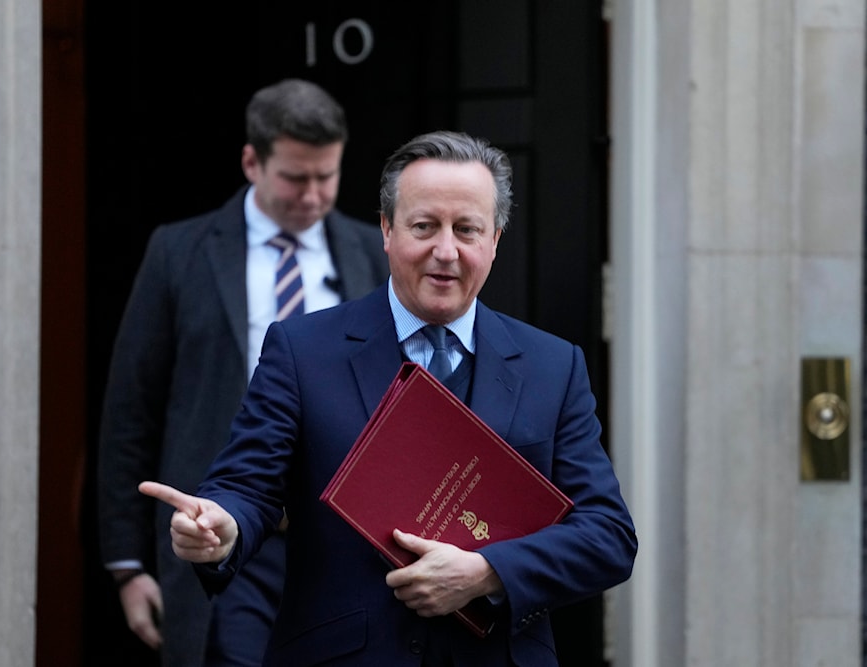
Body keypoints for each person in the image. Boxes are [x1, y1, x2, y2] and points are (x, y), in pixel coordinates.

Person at [138, 130, 637, 666]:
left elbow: (606, 536)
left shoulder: (553, 366)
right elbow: (247, 487)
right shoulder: (303, 350)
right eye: (424, 226)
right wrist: (223, 527)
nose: (445, 251)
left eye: (466, 229)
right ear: (386, 230)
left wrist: (487, 571)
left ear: (495, 239)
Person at [96, 78, 390, 667]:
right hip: (226, 544)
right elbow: (133, 410)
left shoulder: (371, 253)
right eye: (295, 178)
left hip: (347, 550)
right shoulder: (180, 252)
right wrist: (127, 565)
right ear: (252, 162)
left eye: (326, 177)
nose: (312, 195)